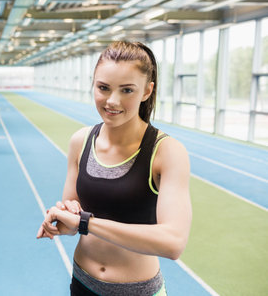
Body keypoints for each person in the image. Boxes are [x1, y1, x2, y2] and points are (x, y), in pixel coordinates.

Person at [36, 41, 192, 296]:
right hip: (83, 284)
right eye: (103, 88)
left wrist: (86, 223)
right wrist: (61, 218)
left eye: (127, 90)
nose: (112, 100)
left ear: (147, 91)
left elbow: (173, 243)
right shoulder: (81, 141)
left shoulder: (166, 152)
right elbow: (72, 213)